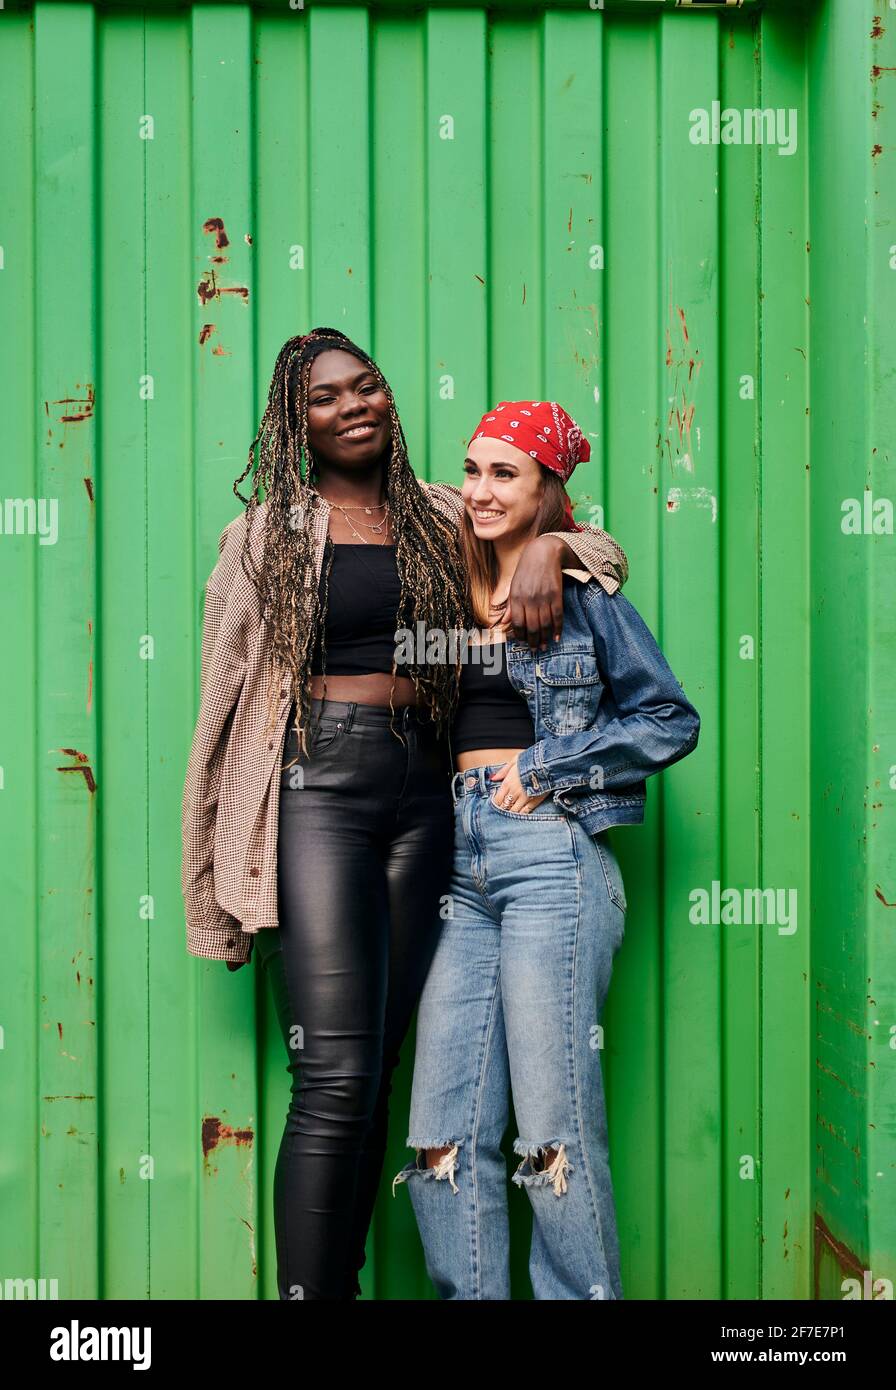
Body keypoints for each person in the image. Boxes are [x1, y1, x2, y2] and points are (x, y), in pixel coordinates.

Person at [180, 333, 631, 1300]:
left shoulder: (438, 514)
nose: (354, 406)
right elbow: (219, 706)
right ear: (292, 425)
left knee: (383, 1066)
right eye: (325, 398)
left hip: (434, 797)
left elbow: (595, 550)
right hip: (321, 786)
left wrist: (555, 542)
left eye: (367, 386)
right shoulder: (266, 535)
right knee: (334, 1075)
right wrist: (212, 876)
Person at [391, 400, 700, 1300]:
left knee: (553, 1131)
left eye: (507, 474)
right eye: (474, 469)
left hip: (548, 861)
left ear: (548, 490)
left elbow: (668, 718)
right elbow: (330, 507)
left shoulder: (583, 599)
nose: (482, 491)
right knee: (442, 1132)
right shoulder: (441, 573)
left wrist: (550, 767)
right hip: (455, 861)